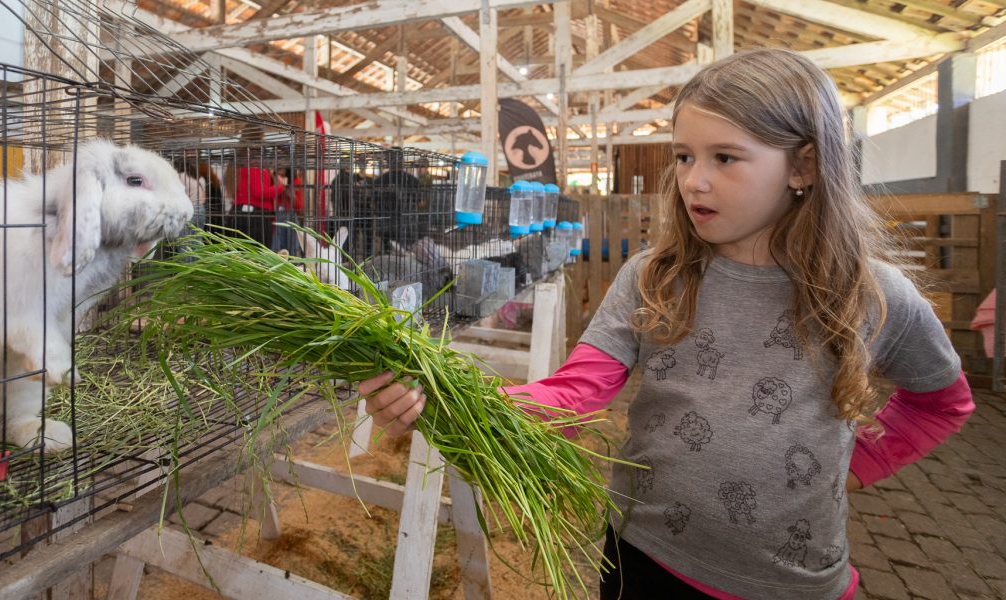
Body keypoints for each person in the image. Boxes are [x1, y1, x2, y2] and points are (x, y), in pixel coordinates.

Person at [356, 48, 975, 600]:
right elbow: (574, 394)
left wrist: (854, 466)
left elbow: (941, 403)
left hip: (791, 581)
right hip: (641, 556)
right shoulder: (655, 277)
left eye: (724, 157)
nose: (692, 180)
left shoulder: (870, 294)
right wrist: (441, 397)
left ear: (804, 168)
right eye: (683, 156)